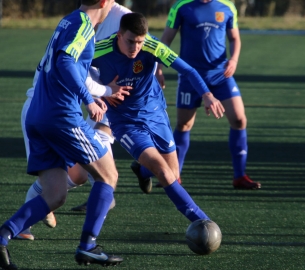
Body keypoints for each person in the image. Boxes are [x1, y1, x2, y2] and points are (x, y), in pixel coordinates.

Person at [0, 1, 124, 269]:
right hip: (60, 117)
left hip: (38, 115)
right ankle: (88, 246)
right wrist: (88, 100)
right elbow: (65, 61)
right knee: (109, 175)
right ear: (104, 2)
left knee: (55, 194)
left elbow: (68, 66)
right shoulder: (83, 26)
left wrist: (95, 94)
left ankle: (2, 236)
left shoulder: (68, 20)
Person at [92, 13, 224, 225]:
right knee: (163, 172)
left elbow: (188, 70)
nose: (136, 47)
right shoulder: (99, 49)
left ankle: (142, 169)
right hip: (125, 122)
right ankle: (203, 221)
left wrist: (207, 95)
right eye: (131, 41)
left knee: (172, 172)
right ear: (118, 35)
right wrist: (98, 94)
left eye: (140, 41)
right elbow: (71, 72)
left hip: (155, 113)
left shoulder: (151, 46)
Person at [156, 0, 261, 189]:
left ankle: (240, 176)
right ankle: (174, 176)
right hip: (190, 76)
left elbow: (234, 38)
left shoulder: (227, 6)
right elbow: (165, 40)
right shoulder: (181, 6)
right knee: (184, 124)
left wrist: (234, 60)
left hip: (221, 75)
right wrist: (159, 67)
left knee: (239, 119)